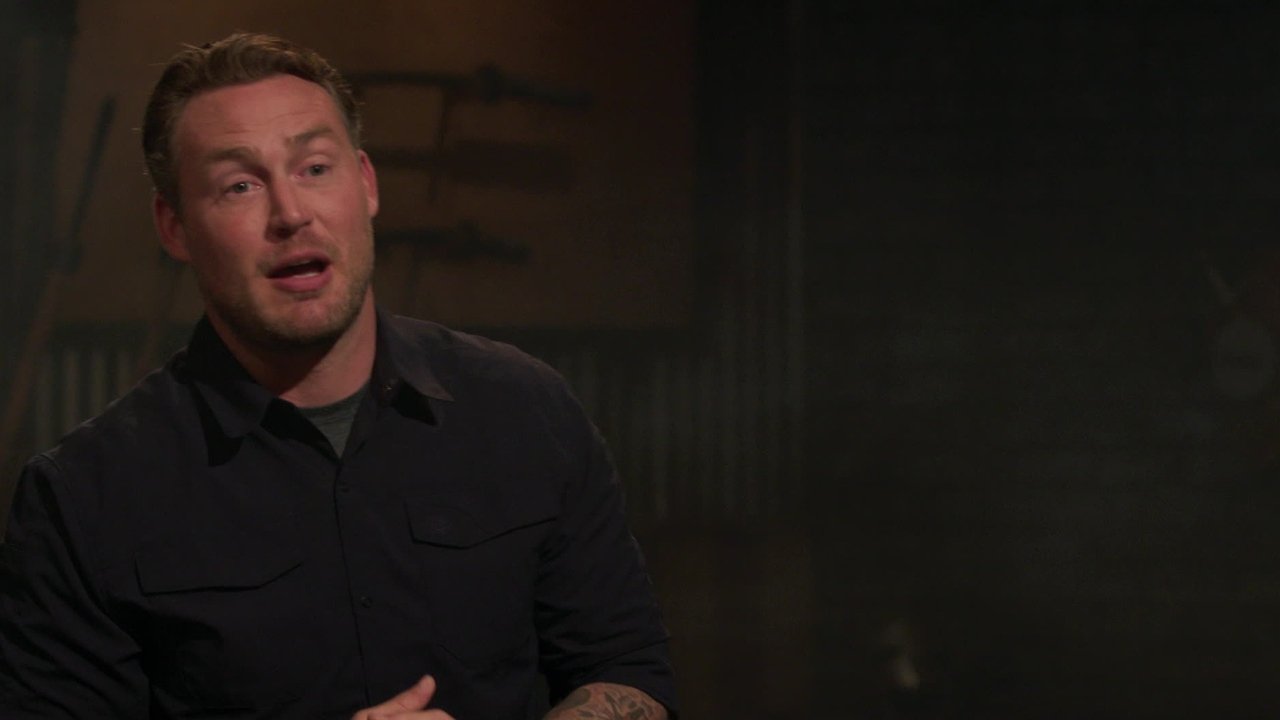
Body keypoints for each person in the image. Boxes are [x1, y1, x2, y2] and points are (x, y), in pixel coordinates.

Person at [0, 32, 676, 720]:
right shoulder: (85, 494)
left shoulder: (526, 410)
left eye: (315, 168)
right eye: (239, 185)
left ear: (367, 184)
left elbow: (630, 673)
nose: (291, 213)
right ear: (174, 227)